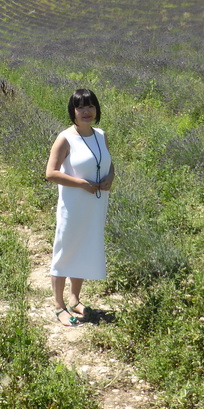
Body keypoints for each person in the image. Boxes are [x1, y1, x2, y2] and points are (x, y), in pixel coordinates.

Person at [45, 88, 114, 326]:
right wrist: (81, 184)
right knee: (65, 250)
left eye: (90, 106)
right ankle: (59, 305)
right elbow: (50, 173)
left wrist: (110, 178)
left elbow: (108, 161)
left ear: (96, 109)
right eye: (81, 107)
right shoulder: (66, 138)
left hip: (95, 204)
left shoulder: (101, 134)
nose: (86, 112)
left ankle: (75, 299)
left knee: (84, 247)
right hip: (73, 205)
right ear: (72, 111)